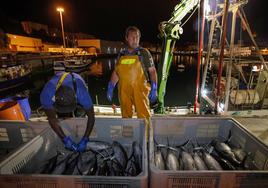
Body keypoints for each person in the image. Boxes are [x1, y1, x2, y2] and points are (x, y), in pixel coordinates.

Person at [107, 26, 157, 118]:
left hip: (140, 92)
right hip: (124, 92)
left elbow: (152, 71)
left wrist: (154, 87)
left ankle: (145, 132)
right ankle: (127, 132)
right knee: (126, 117)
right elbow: (116, 72)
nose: (135, 39)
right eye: (132, 37)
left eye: (137, 37)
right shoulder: (121, 54)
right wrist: (111, 86)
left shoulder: (144, 53)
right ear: (126, 38)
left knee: (144, 117)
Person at [40, 71, 95, 152]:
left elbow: (91, 117)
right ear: (54, 98)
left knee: (81, 113)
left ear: (76, 99)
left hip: (76, 79)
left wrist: (85, 138)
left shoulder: (82, 94)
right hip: (57, 80)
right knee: (56, 117)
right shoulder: (46, 95)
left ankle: (78, 116)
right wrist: (64, 139)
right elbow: (52, 119)